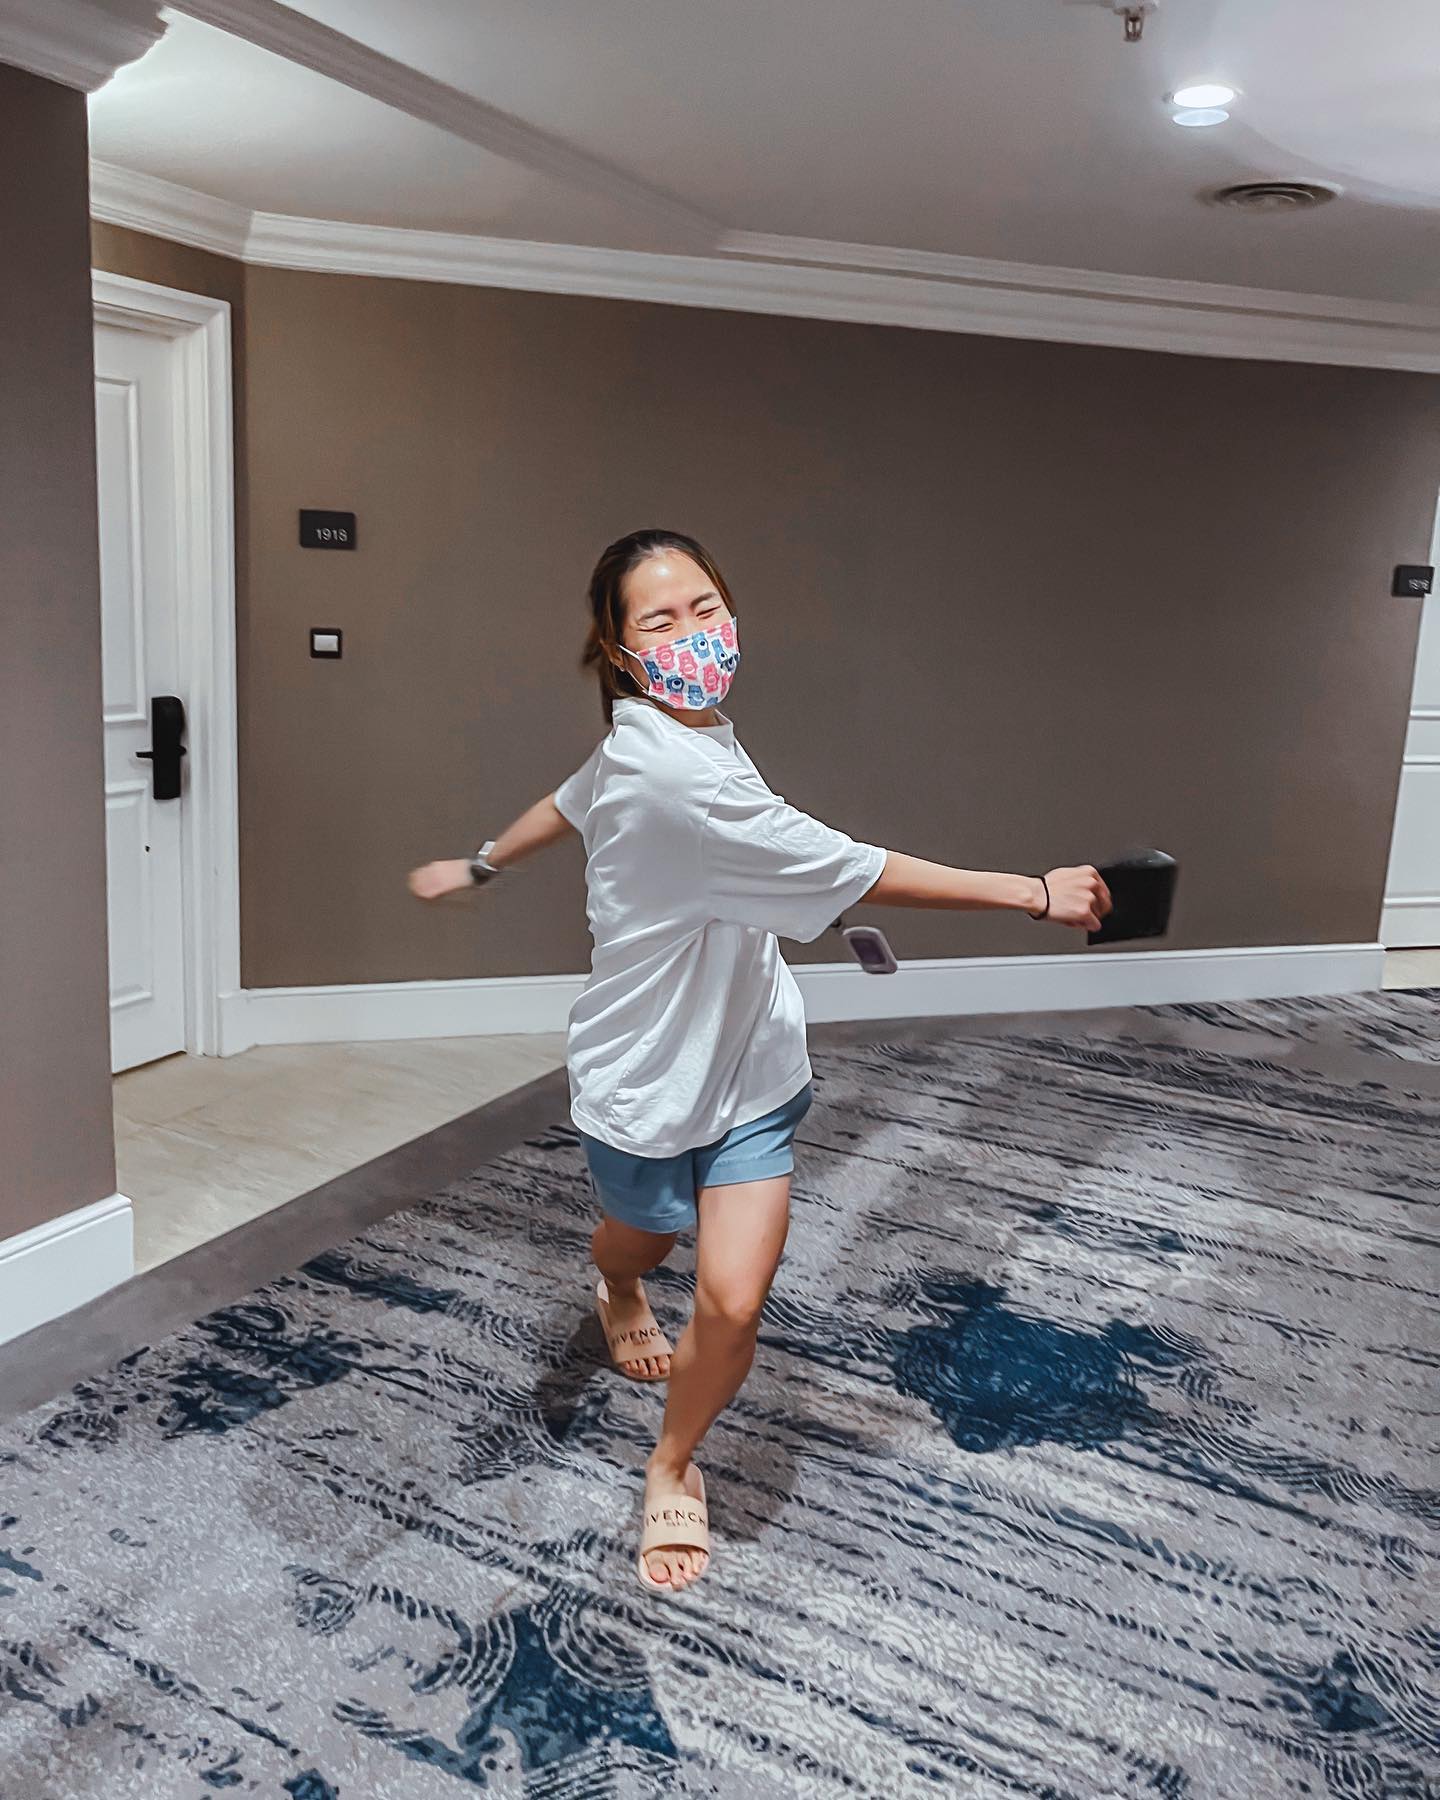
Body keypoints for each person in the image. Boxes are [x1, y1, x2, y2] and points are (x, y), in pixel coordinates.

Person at [407, 528, 1111, 1598]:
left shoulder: (673, 735)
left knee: (733, 1302)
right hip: (645, 1075)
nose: (694, 633)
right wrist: (1032, 892)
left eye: (705, 607)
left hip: (750, 1062)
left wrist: (482, 863)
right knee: (642, 1239)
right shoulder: (667, 773)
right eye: (661, 620)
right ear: (620, 650)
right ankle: (616, 1281)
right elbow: (850, 866)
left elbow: (566, 797)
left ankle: (671, 1462)